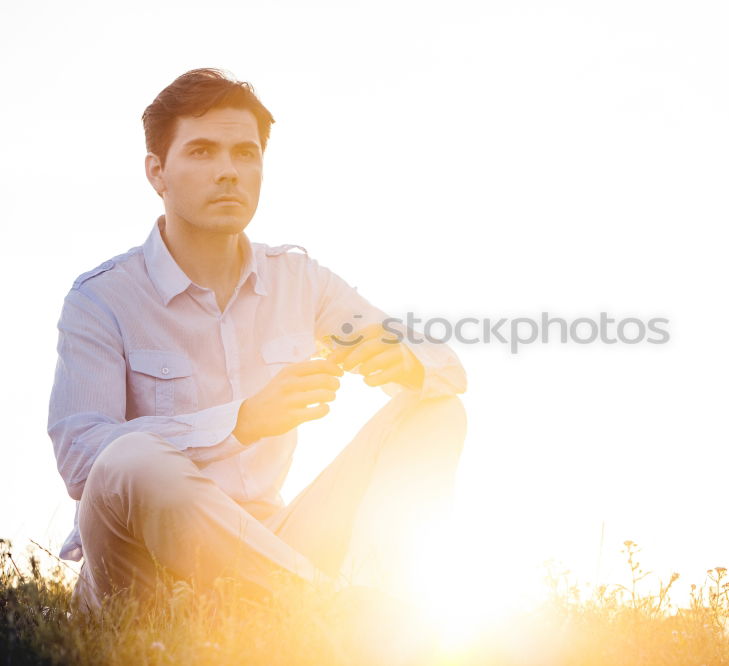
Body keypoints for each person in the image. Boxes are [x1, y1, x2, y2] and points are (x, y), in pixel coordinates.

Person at [46, 68, 468, 616]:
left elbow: (448, 368)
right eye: (202, 152)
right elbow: (82, 458)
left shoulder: (299, 281)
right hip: (143, 574)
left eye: (245, 154)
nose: (228, 172)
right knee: (130, 456)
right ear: (157, 172)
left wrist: (405, 360)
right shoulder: (101, 299)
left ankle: (373, 607)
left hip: (275, 548)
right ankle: (332, 615)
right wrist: (239, 421)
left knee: (436, 410)